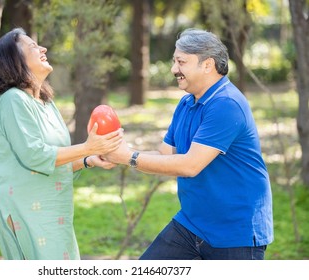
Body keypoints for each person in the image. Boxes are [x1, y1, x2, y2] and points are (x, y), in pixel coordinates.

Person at [105, 28, 274, 260]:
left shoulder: (226, 103)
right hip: (193, 223)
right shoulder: (187, 103)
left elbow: (190, 165)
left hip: (235, 231)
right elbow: (164, 153)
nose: (174, 69)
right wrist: (116, 151)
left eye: (181, 62)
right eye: (174, 61)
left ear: (207, 65)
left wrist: (128, 157)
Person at [0, 28, 123, 260]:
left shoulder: (46, 103)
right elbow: (34, 155)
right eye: (32, 46)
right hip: (23, 209)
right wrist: (89, 147)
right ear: (13, 60)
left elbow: (54, 161)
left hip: (52, 211)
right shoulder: (12, 100)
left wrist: (89, 160)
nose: (43, 49)